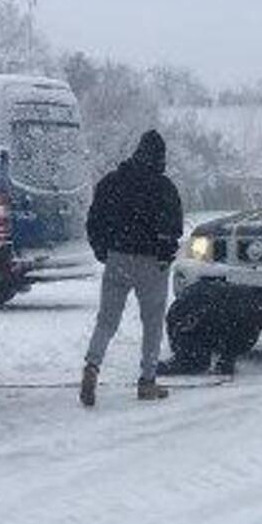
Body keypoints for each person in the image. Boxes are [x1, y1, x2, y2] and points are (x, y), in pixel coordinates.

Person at [80, 130, 182, 407]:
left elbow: (94, 220)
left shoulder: (112, 183)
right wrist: (165, 252)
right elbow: (174, 228)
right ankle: (147, 381)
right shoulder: (164, 188)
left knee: (107, 319)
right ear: (160, 157)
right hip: (152, 263)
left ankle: (92, 365)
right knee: (152, 323)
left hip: (118, 257)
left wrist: (103, 250)